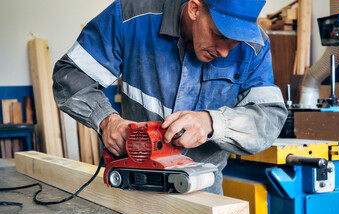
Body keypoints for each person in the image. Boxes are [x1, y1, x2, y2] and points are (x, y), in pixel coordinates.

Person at [52, 0, 287, 195]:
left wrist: (211, 123)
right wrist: (106, 120)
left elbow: (269, 117)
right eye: (218, 35)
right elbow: (70, 75)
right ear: (195, 8)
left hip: (203, 186)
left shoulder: (254, 46)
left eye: (234, 43)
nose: (225, 52)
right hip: (137, 183)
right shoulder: (131, 16)